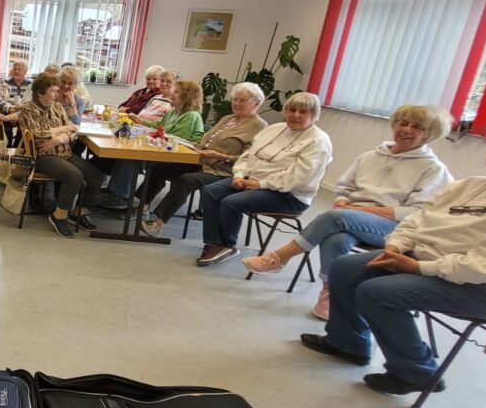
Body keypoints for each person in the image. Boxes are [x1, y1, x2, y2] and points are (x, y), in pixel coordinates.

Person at [298, 126, 486, 396]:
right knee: (345, 267)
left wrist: (419, 267)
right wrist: (395, 246)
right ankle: (348, 343)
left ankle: (417, 372)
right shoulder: (471, 185)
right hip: (426, 260)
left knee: (378, 293)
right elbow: (417, 219)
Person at [243, 105, 453, 320]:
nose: (407, 129)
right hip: (351, 219)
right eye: (403, 123)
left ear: (429, 134)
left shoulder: (433, 169)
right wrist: (343, 201)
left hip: (396, 229)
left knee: (336, 218)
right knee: (336, 238)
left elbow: (416, 212)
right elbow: (345, 187)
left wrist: (354, 210)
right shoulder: (370, 156)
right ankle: (330, 293)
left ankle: (278, 257)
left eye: (416, 127)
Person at [198, 92, 333, 266]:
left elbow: (299, 178)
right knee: (211, 191)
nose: (296, 115)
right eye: (292, 110)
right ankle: (214, 242)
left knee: (231, 202)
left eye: (303, 112)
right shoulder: (273, 129)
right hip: (251, 181)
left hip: (289, 195)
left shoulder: (318, 141)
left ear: (314, 115)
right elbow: (247, 155)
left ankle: (228, 244)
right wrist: (239, 175)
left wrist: (260, 184)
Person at [139, 82, 268, 237]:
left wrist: (222, 156)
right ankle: (140, 206)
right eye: (234, 99)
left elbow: (251, 159)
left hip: (224, 171)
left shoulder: (259, 126)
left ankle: (158, 224)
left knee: (187, 180)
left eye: (242, 100)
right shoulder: (228, 118)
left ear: (257, 103)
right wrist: (187, 144)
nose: (236, 103)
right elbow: (205, 141)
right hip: (201, 163)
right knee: (161, 167)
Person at [20, 73, 105, 239]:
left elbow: (73, 130)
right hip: (43, 155)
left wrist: (57, 139)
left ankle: (77, 213)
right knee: (74, 177)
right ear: (40, 93)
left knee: (96, 176)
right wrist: (62, 130)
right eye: (52, 91)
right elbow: (38, 134)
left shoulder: (58, 107)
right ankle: (59, 216)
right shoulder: (27, 108)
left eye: (56, 91)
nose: (56, 94)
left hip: (63, 152)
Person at [100, 79, 205, 209]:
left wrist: (149, 135)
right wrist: (141, 120)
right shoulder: (173, 111)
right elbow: (158, 126)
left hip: (179, 157)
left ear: (187, 97)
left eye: (176, 92)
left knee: (132, 156)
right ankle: (117, 192)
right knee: (127, 154)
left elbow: (175, 138)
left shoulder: (191, 116)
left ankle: (121, 196)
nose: (172, 93)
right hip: (165, 150)